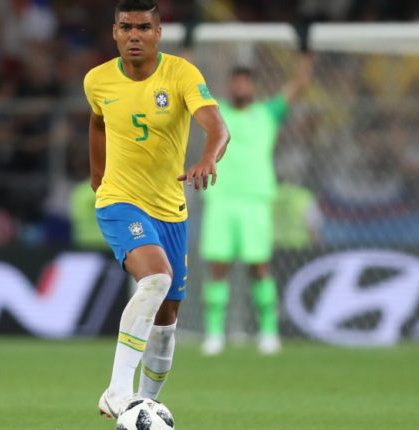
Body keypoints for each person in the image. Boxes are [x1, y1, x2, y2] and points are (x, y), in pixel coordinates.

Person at [83, 0, 230, 419]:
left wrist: (208, 158)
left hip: (170, 211)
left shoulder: (181, 74)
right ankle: (117, 392)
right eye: (126, 27)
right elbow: (97, 121)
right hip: (120, 201)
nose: (135, 35)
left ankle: (145, 404)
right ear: (115, 32)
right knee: (156, 278)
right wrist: (98, 173)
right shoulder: (97, 80)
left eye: (144, 27)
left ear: (158, 32)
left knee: (166, 324)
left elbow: (218, 127)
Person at [200, 52, 313, 356]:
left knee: (260, 266)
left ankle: (268, 331)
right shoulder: (216, 112)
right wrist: (186, 45)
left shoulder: (267, 113)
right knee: (218, 267)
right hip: (221, 199)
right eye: (236, 82)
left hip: (255, 202)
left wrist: (304, 51)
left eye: (245, 82)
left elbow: (300, 85)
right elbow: (187, 90)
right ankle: (214, 334)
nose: (240, 87)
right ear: (229, 85)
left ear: (253, 87)